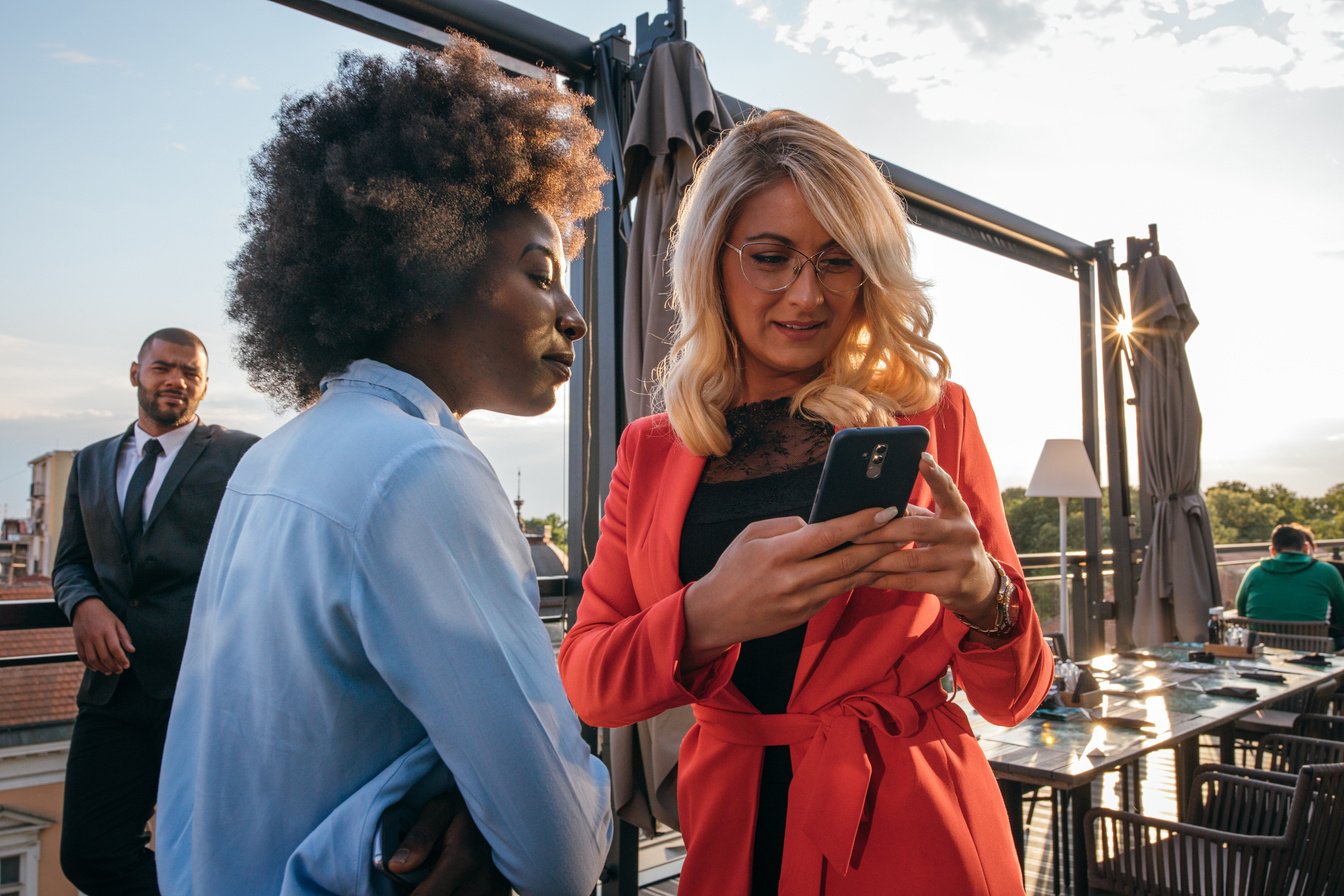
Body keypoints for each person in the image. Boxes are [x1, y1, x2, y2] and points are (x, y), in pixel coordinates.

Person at [156, 40, 612, 896]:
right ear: (428, 268)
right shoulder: (419, 470)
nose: (574, 319)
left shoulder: (275, 461)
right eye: (541, 275)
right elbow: (560, 857)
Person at [557, 110, 1053, 896]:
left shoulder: (932, 416)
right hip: (730, 831)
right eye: (771, 257)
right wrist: (707, 615)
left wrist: (985, 595)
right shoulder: (652, 451)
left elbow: (1014, 697)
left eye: (837, 260)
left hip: (916, 829)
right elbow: (588, 680)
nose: (807, 294)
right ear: (712, 260)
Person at [52, 328, 259, 895]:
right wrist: (84, 604)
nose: (176, 380)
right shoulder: (91, 463)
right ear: (135, 373)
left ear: (206, 384)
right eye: (163, 367)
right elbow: (69, 562)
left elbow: (267, 558)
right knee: (90, 855)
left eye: (190, 372)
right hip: (113, 689)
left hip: (205, 689)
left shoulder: (243, 454)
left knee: (212, 850)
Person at [1236, 523, 1344, 648]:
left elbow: (1241, 612)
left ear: (1272, 550)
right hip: (1312, 648)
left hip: (1263, 649)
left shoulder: (1254, 572)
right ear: (1306, 548)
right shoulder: (1327, 571)